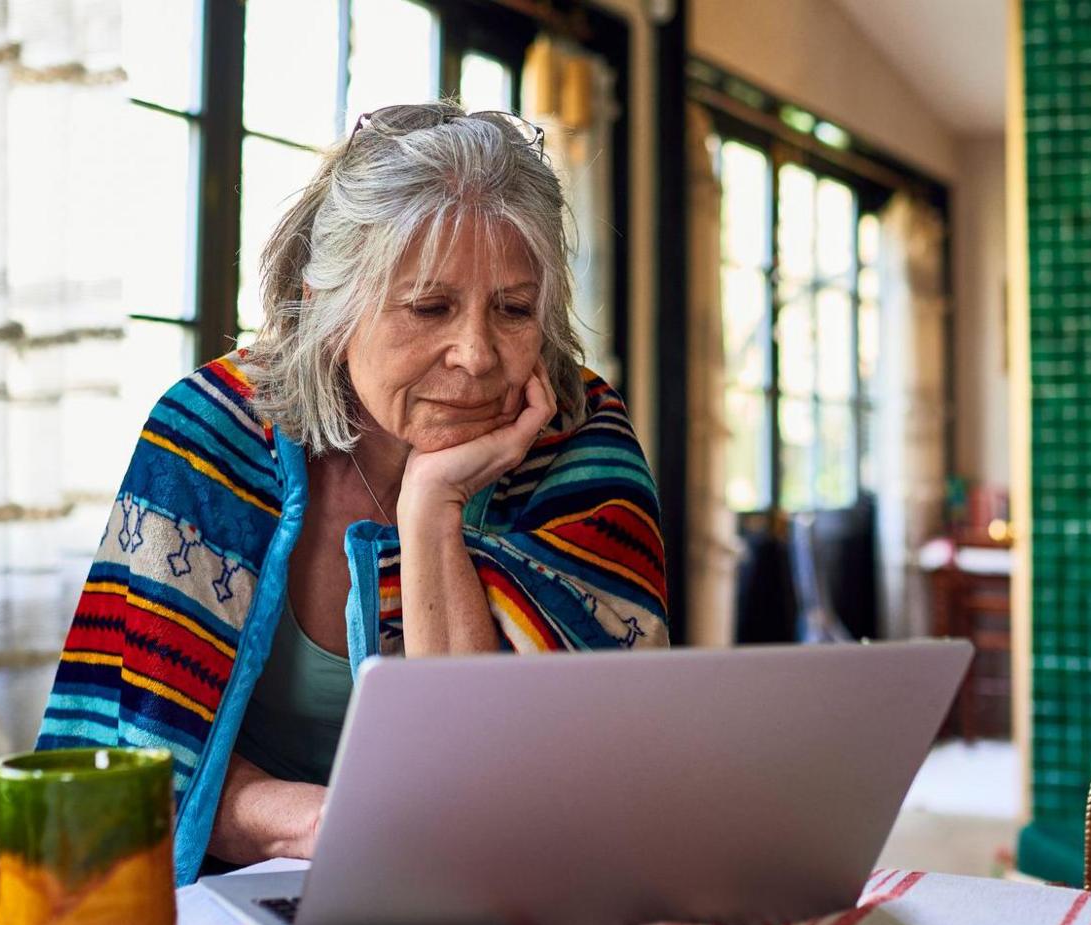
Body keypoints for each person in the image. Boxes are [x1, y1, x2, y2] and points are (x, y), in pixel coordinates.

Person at [35, 102, 669, 885]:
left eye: (513, 309)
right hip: (231, 891)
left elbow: (523, 791)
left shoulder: (581, 445)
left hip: (509, 896)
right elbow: (137, 761)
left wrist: (432, 508)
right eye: (429, 307)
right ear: (330, 307)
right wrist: (323, 820)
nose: (475, 354)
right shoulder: (207, 435)